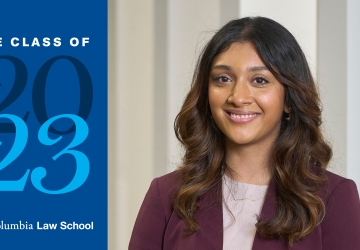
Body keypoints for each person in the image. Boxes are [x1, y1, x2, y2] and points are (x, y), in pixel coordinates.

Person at [128, 16, 360, 250]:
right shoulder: (166, 194)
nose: (238, 97)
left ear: (289, 98)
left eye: (259, 80)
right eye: (223, 79)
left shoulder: (333, 198)